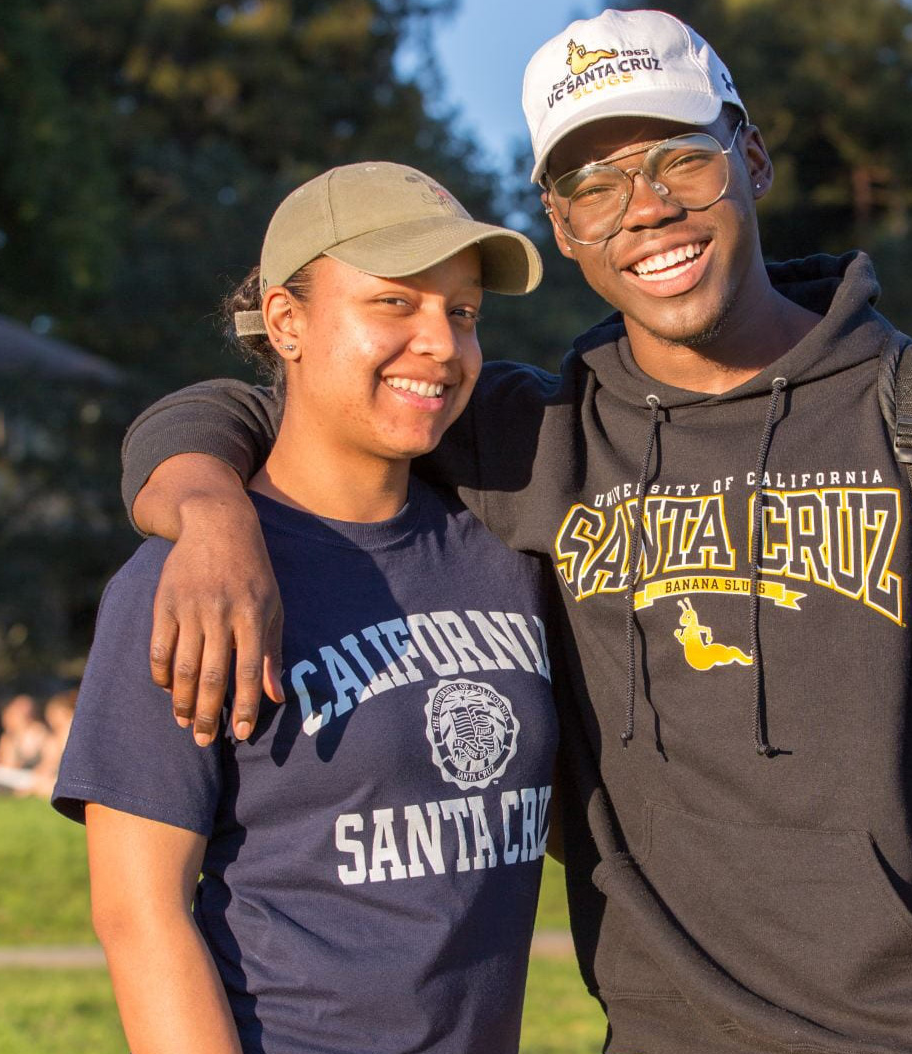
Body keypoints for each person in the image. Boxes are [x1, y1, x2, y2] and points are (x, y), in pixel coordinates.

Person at [119, 12, 912, 1054]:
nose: (644, 209)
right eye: (592, 184)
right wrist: (209, 506)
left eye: (677, 160)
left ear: (750, 156)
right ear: (560, 221)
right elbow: (300, 401)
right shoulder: (541, 438)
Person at [54, 163, 559, 1054]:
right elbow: (140, 916)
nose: (441, 343)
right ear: (287, 323)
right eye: (396, 303)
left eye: (465, 310)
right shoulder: (185, 583)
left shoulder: (504, 555)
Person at [0, 693, 50, 793]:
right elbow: (5, 765)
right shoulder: (9, 737)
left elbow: (49, 763)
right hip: (17, 777)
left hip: (36, 777)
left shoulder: (42, 732)